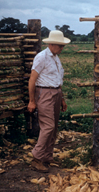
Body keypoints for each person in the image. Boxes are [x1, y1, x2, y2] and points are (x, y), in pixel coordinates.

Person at [27, 30, 69, 173]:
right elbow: (32, 80)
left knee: (54, 127)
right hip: (44, 93)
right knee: (48, 126)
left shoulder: (56, 58)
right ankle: (37, 158)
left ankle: (47, 157)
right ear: (51, 44)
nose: (62, 48)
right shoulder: (42, 57)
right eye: (59, 45)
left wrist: (62, 98)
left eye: (62, 46)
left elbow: (57, 79)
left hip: (56, 92)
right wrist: (32, 101)